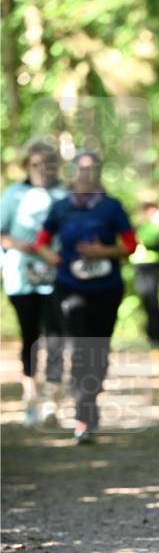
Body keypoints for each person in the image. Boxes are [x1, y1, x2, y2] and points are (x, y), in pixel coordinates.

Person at [35, 150, 137, 443]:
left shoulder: (111, 207)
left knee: (100, 352)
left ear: (99, 173)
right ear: (73, 173)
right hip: (70, 287)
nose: (88, 175)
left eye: (93, 169)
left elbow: (130, 245)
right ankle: (84, 416)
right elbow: (41, 242)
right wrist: (52, 258)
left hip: (106, 289)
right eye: (82, 169)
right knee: (80, 350)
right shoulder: (61, 207)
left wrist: (102, 252)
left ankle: (91, 400)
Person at [0, 139, 67, 426]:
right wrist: (20, 244)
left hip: (57, 276)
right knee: (31, 337)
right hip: (22, 276)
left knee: (56, 337)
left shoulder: (65, 195)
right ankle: (31, 398)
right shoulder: (13, 194)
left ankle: (52, 399)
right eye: (36, 164)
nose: (42, 169)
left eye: (48, 164)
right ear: (28, 164)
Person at [130, 198, 159, 349]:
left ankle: (158, 338)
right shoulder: (144, 225)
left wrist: (147, 244)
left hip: (153, 266)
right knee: (145, 301)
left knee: (152, 302)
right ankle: (150, 337)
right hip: (139, 266)